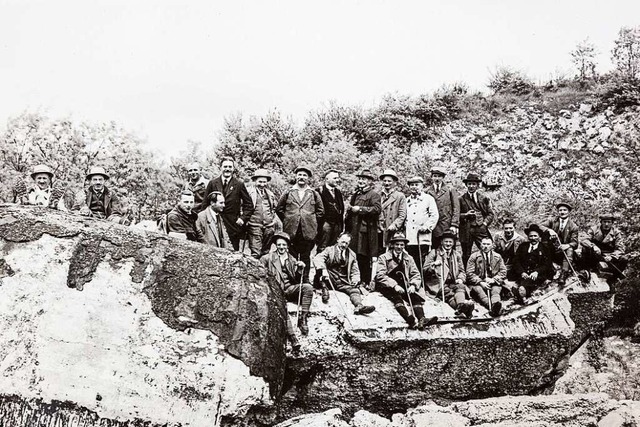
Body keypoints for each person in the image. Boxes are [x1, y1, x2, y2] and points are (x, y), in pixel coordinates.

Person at [375, 232, 438, 329]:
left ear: (404, 246)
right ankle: (409, 318)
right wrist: (394, 285)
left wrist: (413, 285)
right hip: (386, 285)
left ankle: (422, 319)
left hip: (404, 283)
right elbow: (380, 275)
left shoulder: (408, 258)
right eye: (397, 244)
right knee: (396, 297)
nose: (399, 247)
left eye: (402, 245)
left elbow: (416, 274)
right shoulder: (383, 258)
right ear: (392, 245)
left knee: (414, 296)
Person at [276, 166, 324, 282]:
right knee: (291, 255)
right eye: (299, 175)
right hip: (291, 230)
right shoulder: (288, 192)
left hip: (307, 231)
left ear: (308, 179)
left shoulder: (313, 193)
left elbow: (320, 212)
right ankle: (293, 279)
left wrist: (310, 221)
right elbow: (279, 209)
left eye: (304, 175)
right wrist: (289, 219)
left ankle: (305, 279)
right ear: (296, 177)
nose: (301, 177)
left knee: (305, 256)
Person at [260, 232, 313, 337]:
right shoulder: (267, 258)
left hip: (289, 288)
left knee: (308, 288)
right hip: (275, 290)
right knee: (283, 308)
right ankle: (292, 336)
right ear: (275, 245)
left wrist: (300, 269)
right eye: (279, 244)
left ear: (288, 246)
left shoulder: (292, 259)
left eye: (284, 245)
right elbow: (260, 275)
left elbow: (298, 279)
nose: (281, 247)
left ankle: (303, 318)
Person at [313, 233, 375, 314]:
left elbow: (355, 270)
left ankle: (359, 306)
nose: (344, 245)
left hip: (343, 281)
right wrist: (324, 269)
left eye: (346, 243)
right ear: (338, 240)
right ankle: (324, 289)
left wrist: (355, 279)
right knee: (320, 272)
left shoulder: (352, 255)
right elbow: (318, 258)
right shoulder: (329, 250)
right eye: (342, 242)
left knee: (354, 290)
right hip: (329, 277)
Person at [204, 157, 254, 251]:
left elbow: (249, 205)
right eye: (225, 166)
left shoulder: (239, 184)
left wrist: (242, 218)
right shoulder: (212, 183)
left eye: (230, 167)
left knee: (232, 252)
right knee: (214, 250)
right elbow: (205, 204)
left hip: (232, 225)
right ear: (221, 167)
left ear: (233, 168)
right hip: (214, 223)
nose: (227, 169)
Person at [423, 230, 475, 318]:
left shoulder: (456, 254)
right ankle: (464, 309)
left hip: (453, 281)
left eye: (450, 242)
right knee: (448, 293)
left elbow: (462, 271)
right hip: (438, 282)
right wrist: (433, 265)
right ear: (441, 242)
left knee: (461, 287)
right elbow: (425, 270)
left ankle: (461, 307)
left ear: (453, 243)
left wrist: (460, 279)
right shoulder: (434, 253)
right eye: (446, 241)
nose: (448, 244)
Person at [345, 169, 381, 287]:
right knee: (353, 254)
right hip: (354, 230)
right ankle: (354, 279)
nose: (361, 181)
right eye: (360, 179)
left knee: (364, 255)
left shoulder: (374, 195)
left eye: (364, 179)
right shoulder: (356, 194)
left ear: (370, 181)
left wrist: (360, 209)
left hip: (366, 230)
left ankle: (365, 280)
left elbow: (377, 209)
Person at [539, 202, 579, 285]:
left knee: (570, 249)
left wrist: (567, 245)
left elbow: (575, 243)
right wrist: (549, 230)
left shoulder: (573, 226)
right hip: (551, 248)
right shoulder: (552, 221)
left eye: (565, 210)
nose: (562, 212)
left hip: (562, 252)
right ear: (558, 212)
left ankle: (564, 274)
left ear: (569, 212)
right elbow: (539, 226)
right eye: (560, 210)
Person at [512, 224, 554, 304]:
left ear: (539, 237)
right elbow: (516, 261)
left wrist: (537, 272)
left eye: (535, 236)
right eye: (531, 236)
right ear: (528, 237)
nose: (533, 238)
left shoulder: (544, 248)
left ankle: (523, 294)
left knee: (530, 283)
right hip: (524, 273)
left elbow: (547, 264)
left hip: (537, 274)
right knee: (517, 280)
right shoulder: (523, 246)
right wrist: (522, 272)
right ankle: (519, 293)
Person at [459, 172, 494, 266]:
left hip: (480, 228)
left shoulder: (483, 198)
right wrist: (465, 215)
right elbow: (456, 215)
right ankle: (466, 273)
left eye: (473, 184)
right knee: (466, 253)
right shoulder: (461, 199)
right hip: (466, 229)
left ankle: (488, 270)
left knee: (486, 249)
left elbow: (490, 214)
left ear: (477, 185)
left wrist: (485, 224)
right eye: (469, 184)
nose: (471, 186)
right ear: (466, 185)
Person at [466, 237, 507, 317]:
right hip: (478, 283)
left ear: (492, 245)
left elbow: (503, 271)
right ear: (480, 245)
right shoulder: (474, 256)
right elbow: (469, 273)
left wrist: (493, 279)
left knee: (495, 291)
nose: (486, 246)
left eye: (488, 244)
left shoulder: (497, 257)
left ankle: (496, 305)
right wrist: (481, 282)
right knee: (479, 291)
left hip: (493, 281)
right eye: (484, 244)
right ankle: (490, 307)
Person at [405, 176, 439, 271]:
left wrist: (427, 227)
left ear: (422, 186)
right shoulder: (406, 200)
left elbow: (434, 215)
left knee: (422, 260)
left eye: (417, 185)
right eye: (412, 185)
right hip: (410, 237)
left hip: (423, 237)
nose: (414, 187)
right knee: (411, 260)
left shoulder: (428, 199)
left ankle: (423, 282)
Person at [580, 213, 628, 279]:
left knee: (624, 259)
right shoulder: (594, 229)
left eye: (609, 222)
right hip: (596, 254)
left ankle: (614, 277)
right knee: (585, 249)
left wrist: (612, 256)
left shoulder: (616, 233)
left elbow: (620, 248)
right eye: (604, 222)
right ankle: (586, 270)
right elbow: (584, 240)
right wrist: (593, 246)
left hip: (609, 256)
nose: (606, 224)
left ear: (612, 223)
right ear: (601, 222)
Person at [246, 168, 279, 258]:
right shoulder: (248, 192)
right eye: (260, 182)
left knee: (266, 252)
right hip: (254, 226)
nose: (262, 184)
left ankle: (264, 271)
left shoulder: (270, 194)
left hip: (269, 227)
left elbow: (275, 208)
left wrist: (273, 221)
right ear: (254, 181)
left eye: (264, 182)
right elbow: (242, 207)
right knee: (256, 253)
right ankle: (254, 271)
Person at [425, 166, 460, 249]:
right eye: (435, 176)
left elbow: (456, 208)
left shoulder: (450, 190)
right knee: (434, 249)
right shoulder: (427, 191)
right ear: (432, 177)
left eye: (439, 176)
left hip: (446, 225)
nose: (437, 178)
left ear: (443, 177)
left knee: (449, 248)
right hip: (433, 226)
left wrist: (454, 225)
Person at [316, 169, 345, 253]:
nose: (337, 180)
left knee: (334, 248)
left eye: (338, 178)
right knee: (323, 248)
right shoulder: (319, 191)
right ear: (327, 179)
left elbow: (341, 209)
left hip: (337, 225)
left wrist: (340, 226)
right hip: (324, 225)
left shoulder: (338, 192)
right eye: (335, 178)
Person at [378, 169, 407, 252]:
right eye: (385, 181)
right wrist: (379, 223)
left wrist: (394, 225)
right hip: (380, 230)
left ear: (395, 182)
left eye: (389, 181)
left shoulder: (400, 196)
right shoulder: (378, 195)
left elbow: (402, 215)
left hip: (393, 232)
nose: (387, 183)